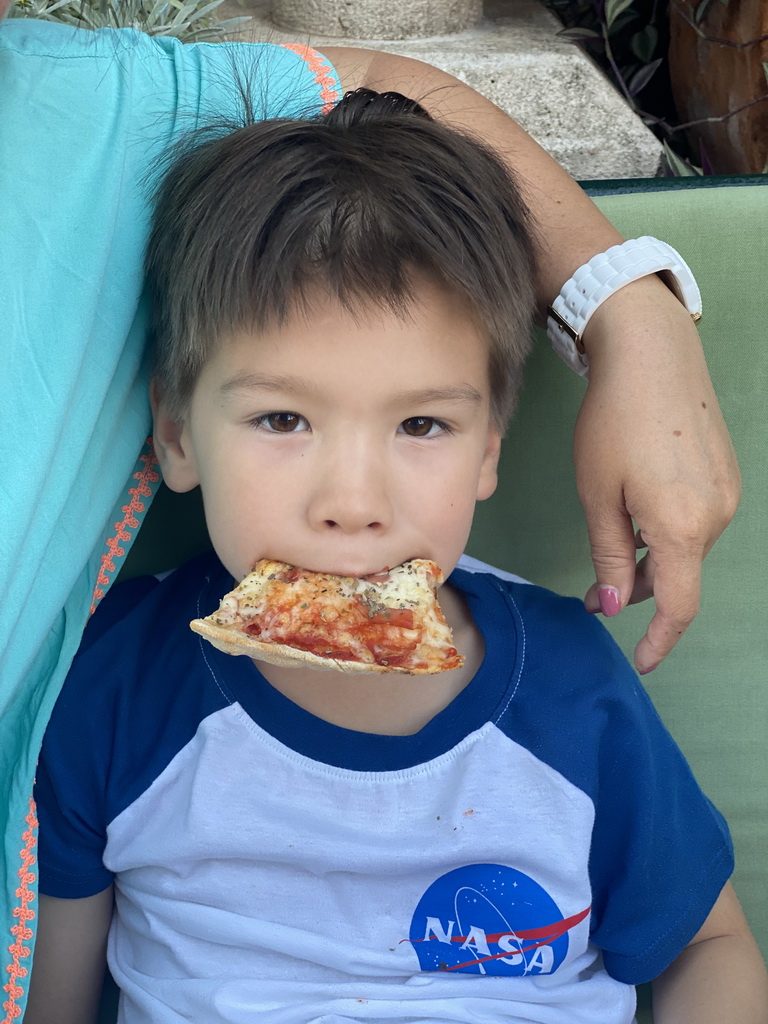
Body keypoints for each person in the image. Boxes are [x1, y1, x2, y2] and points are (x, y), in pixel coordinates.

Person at [0, 11, 741, 1018]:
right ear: (175, 434)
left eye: (423, 426)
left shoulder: (575, 697)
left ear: (489, 449)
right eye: (282, 417)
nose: (354, 502)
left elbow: (709, 943)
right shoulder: (113, 697)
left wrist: (630, 311)